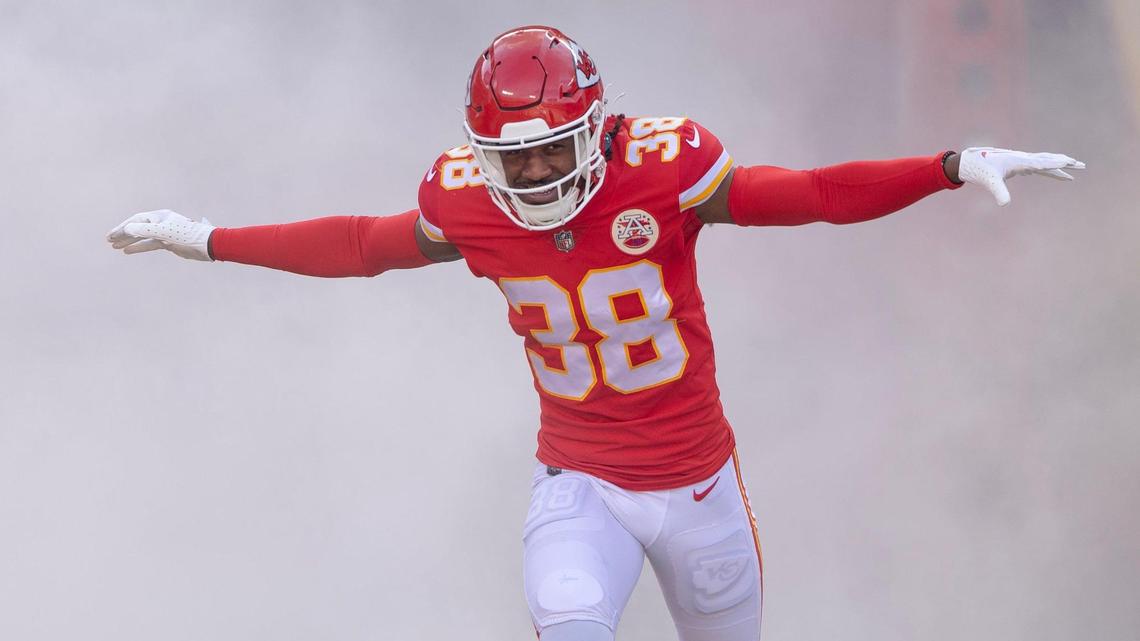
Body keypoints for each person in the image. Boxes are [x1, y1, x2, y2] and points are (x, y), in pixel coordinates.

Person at [106, 25, 1083, 641]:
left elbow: (814, 193)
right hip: (583, 485)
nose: (532, 177)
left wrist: (947, 165)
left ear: (597, 130)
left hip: (701, 488)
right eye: (514, 159)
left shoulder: (665, 171)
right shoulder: (467, 200)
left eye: (550, 152)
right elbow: (363, 245)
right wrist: (209, 239)